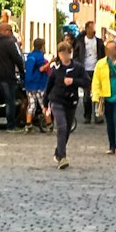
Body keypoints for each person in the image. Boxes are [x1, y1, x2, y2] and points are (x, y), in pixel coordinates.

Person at [43, 23, 85, 166]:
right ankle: (63, 157)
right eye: (61, 55)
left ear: (70, 53)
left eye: (66, 54)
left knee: (66, 128)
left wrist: (73, 81)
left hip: (71, 101)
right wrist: (44, 104)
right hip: (56, 100)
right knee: (61, 126)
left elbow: (86, 82)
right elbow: (48, 87)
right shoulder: (56, 69)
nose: (64, 57)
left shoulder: (78, 68)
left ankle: (58, 151)